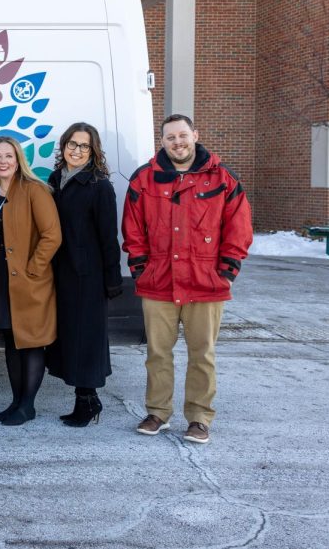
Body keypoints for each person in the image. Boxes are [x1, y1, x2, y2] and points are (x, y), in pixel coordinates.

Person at [122, 114, 252, 445]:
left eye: (182, 135)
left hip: (206, 282)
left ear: (195, 134)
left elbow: (238, 229)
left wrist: (227, 271)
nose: (177, 142)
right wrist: (140, 268)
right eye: (170, 137)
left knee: (202, 353)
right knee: (157, 352)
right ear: (161, 141)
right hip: (159, 282)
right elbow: (133, 230)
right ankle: (158, 413)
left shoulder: (222, 178)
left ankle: (199, 417)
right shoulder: (144, 180)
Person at [45, 123, 122, 427]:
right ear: (63, 146)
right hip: (61, 273)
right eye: (72, 144)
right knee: (70, 338)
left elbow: (107, 237)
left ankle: (87, 402)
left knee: (86, 339)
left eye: (84, 146)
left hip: (89, 276)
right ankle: (86, 399)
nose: (76, 151)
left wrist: (112, 279)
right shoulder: (55, 180)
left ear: (93, 151)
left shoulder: (99, 186)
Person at [0, 136, 61, 426]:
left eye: (9, 156)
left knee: (30, 342)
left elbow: (52, 235)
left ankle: (28, 405)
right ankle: (16, 401)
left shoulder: (34, 190)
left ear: (18, 161)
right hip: (0, 275)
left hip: (28, 277)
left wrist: (33, 268)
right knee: (11, 341)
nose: (3, 161)